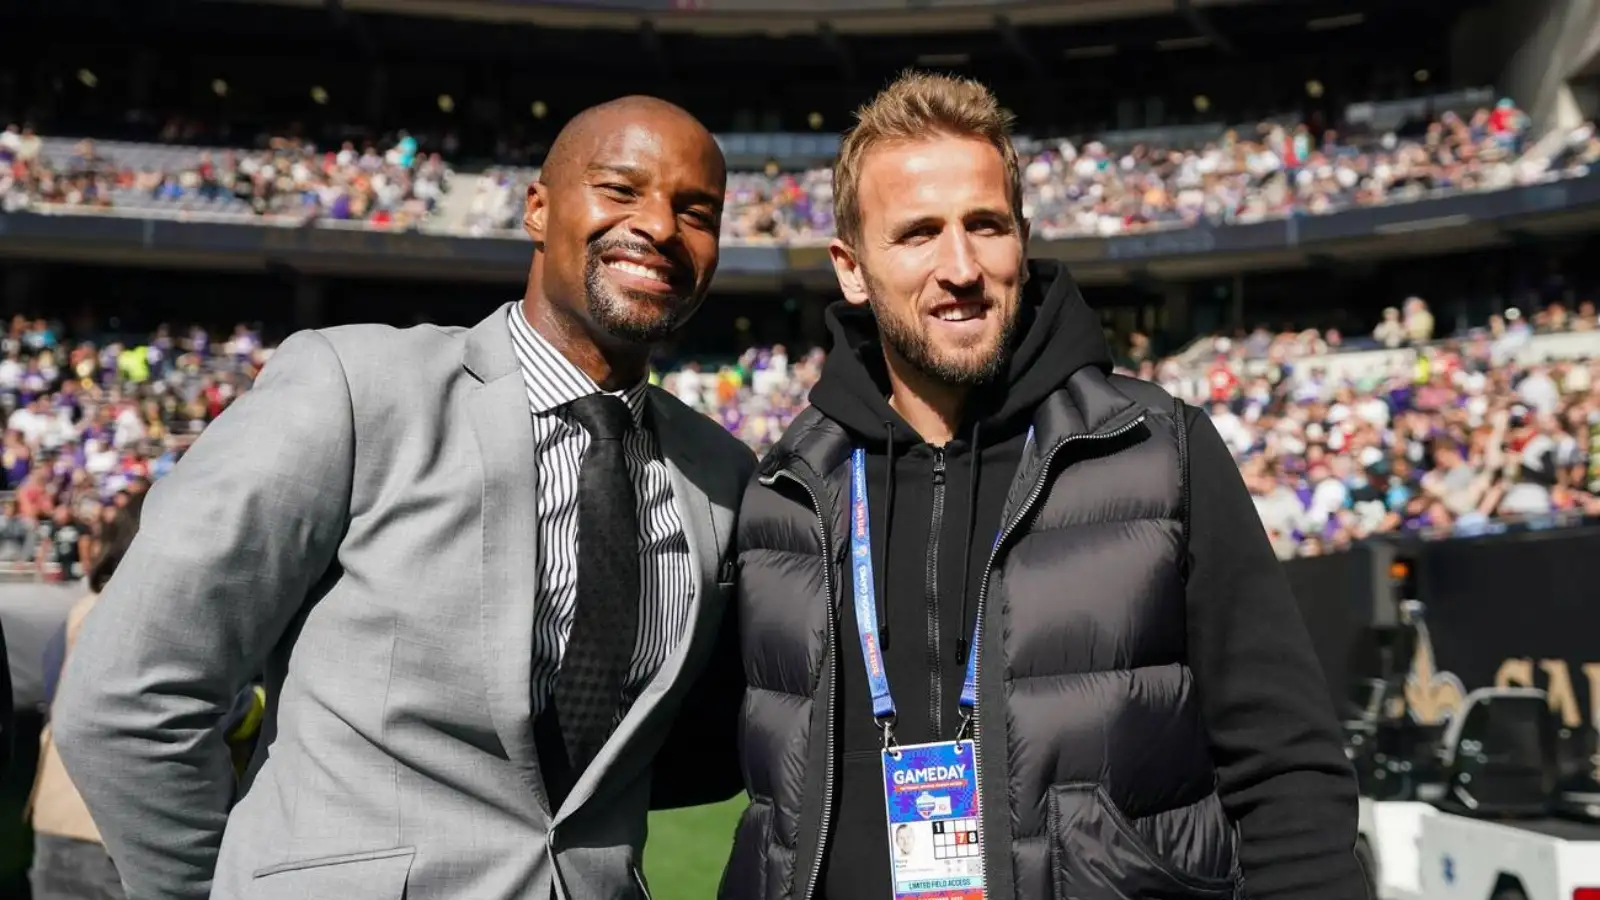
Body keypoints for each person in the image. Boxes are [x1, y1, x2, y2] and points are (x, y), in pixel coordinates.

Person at [52, 95, 753, 900]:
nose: (660, 227)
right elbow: (128, 694)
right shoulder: (353, 389)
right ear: (537, 208)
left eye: (696, 211)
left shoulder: (721, 475)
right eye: (621, 189)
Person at [723, 72, 1364, 900]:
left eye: (984, 225)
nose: (960, 266)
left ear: (1021, 239)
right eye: (918, 234)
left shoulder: (1156, 451)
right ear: (851, 268)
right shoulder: (787, 492)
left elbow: (1288, 768)